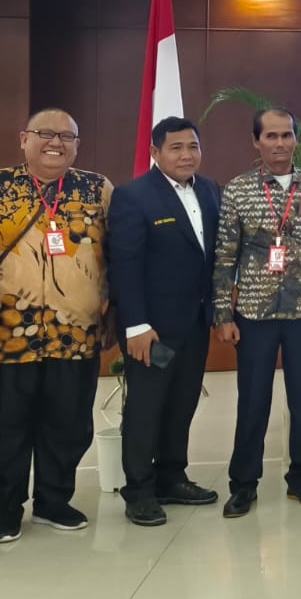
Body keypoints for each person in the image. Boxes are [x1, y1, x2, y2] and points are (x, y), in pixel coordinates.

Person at [0, 107, 113, 540]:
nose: (55, 143)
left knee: (68, 423)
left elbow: (120, 254)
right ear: (23, 138)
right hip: (6, 334)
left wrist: (114, 313)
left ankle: (54, 500)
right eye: (45, 134)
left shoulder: (97, 189)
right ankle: (5, 509)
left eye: (66, 137)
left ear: (77, 145)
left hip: (77, 333)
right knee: (3, 426)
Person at [212, 107, 301, 517]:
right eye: (271, 137)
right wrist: (223, 315)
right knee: (253, 401)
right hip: (254, 311)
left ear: (297, 140)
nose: (280, 144)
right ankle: (243, 485)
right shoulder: (238, 189)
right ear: (256, 142)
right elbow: (225, 255)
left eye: (287, 136)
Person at [106, 116, 221, 527]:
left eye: (193, 146)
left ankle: (172, 476)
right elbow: (125, 265)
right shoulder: (133, 197)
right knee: (145, 407)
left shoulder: (209, 190)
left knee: (182, 403)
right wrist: (135, 325)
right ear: (155, 153)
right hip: (150, 327)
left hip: (195, 321)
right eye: (176, 147)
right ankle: (138, 489)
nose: (186, 155)